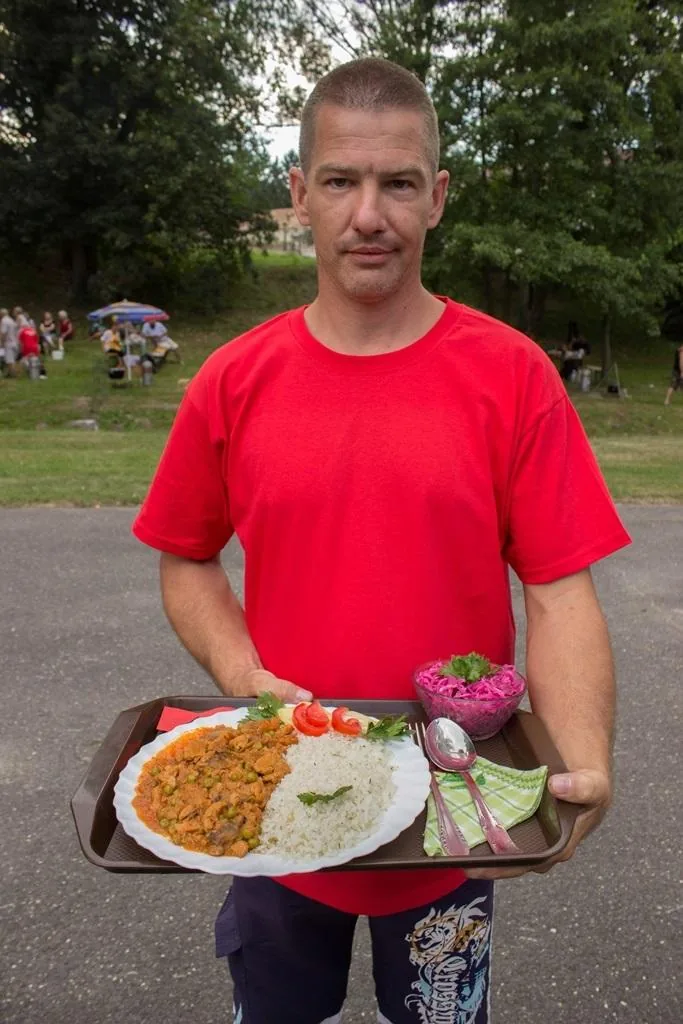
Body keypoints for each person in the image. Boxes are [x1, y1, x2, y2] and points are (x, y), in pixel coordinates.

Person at [132, 58, 630, 1024]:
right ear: (299, 195)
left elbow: (560, 588)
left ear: (436, 197)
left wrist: (580, 758)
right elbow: (186, 553)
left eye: (398, 182)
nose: (369, 213)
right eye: (340, 180)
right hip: (279, 804)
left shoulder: (512, 375)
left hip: (455, 812)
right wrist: (240, 673)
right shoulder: (234, 380)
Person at [1, 307, 20, 377]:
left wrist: (2, 343)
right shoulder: (11, 320)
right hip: (14, 342)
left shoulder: (4, 320)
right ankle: (10, 374)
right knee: (11, 360)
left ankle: (13, 375)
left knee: (10, 361)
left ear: (1, 314)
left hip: (8, 343)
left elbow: (3, 333)